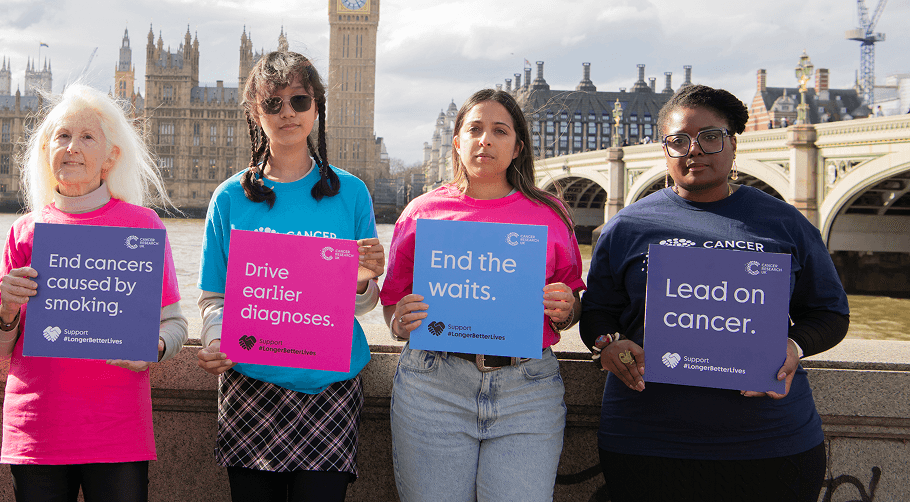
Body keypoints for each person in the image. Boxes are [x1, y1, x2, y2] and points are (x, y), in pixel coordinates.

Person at [580, 84, 849, 502]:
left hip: (771, 440)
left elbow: (831, 314)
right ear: (664, 150)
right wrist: (610, 344)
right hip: (647, 440)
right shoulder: (627, 227)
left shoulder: (784, 223)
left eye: (710, 137)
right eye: (679, 140)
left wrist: (794, 346)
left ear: (733, 144)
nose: (694, 150)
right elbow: (597, 313)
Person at [195, 51, 385, 502]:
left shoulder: (351, 193)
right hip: (251, 384)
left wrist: (360, 280)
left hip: (330, 389)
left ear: (316, 107)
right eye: (273, 103)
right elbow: (213, 299)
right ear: (254, 112)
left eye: (299, 101)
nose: (287, 113)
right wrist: (215, 339)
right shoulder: (229, 198)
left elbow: (363, 302)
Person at [0, 83, 186, 502]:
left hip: (116, 428)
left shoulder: (143, 227)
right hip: (37, 426)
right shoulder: (24, 231)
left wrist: (156, 346)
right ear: (45, 151)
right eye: (61, 136)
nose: (72, 147)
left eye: (87, 137)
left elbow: (175, 324)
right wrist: (7, 310)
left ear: (110, 157)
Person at [381, 88, 584, 502]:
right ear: (457, 142)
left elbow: (573, 301)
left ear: (517, 146)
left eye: (499, 131)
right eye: (474, 129)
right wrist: (398, 321)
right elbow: (392, 305)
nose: (485, 140)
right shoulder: (422, 212)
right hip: (433, 387)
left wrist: (567, 307)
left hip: (527, 390)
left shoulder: (550, 212)